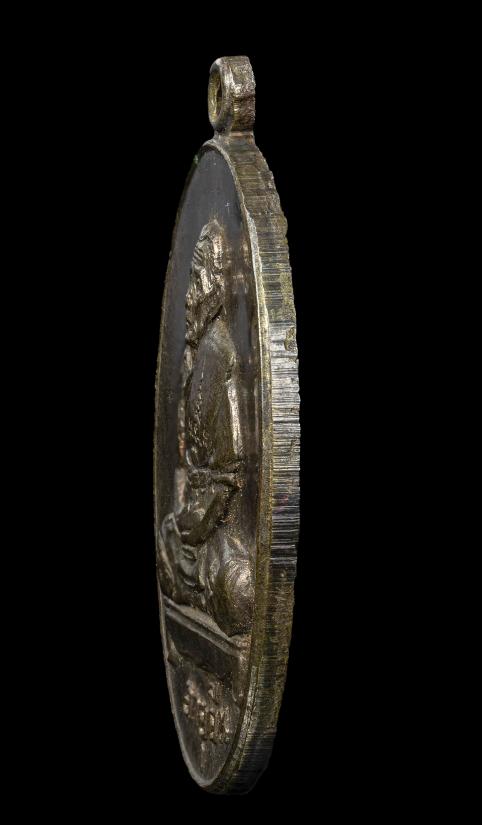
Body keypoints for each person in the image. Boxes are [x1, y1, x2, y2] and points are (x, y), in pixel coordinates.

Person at [157, 220, 253, 636]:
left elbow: (227, 476)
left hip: (211, 528)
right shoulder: (195, 354)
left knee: (238, 591)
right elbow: (185, 459)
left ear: (215, 286)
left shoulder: (219, 353)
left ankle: (200, 587)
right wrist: (182, 522)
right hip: (193, 523)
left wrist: (192, 528)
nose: (189, 293)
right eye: (191, 276)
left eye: (198, 277)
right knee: (166, 540)